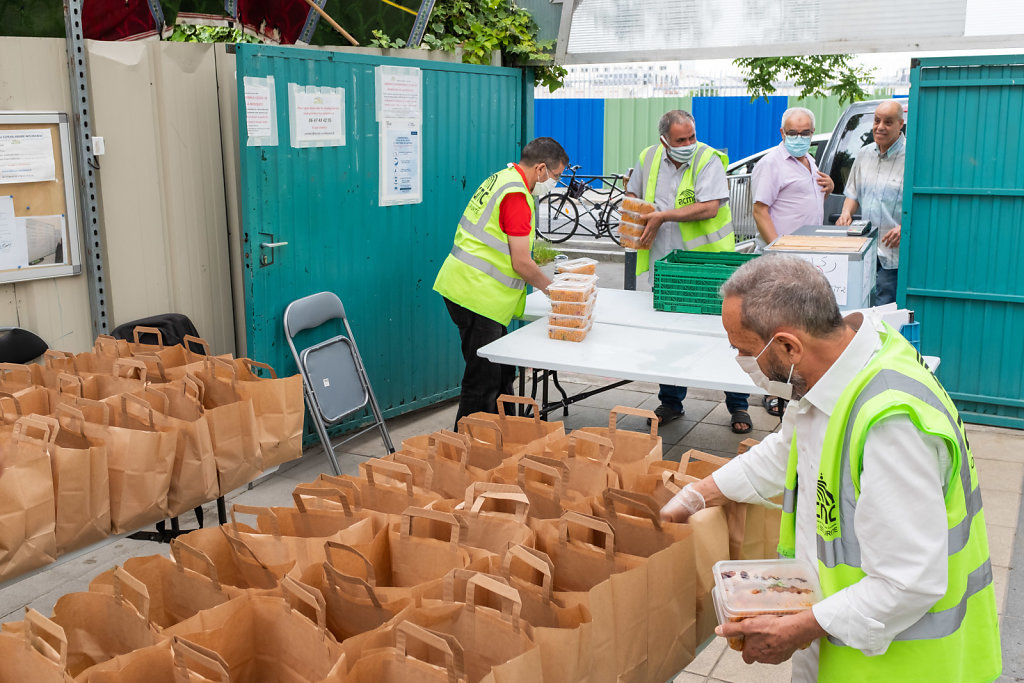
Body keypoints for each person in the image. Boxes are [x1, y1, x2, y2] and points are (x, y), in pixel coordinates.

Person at [660, 254, 1001, 682]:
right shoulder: (838, 367)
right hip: (840, 636)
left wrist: (793, 629)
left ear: (788, 346)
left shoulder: (890, 426)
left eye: (745, 351)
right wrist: (696, 495)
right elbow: (787, 451)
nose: (743, 364)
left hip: (899, 665)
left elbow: (908, 582)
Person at [626, 109, 751, 434]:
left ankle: (738, 404)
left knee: (728, 335)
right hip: (666, 265)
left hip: (707, 265)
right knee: (669, 337)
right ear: (664, 140)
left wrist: (662, 216)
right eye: (681, 140)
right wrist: (635, 214)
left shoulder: (708, 158)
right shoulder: (649, 157)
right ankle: (670, 401)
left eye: (692, 137)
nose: (689, 144)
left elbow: (710, 206)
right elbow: (633, 195)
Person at [433, 137, 568, 426]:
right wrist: (556, 292)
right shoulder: (517, 196)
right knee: (483, 380)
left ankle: (501, 439)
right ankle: (465, 451)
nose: (556, 183)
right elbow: (521, 262)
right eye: (556, 176)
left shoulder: (501, 178)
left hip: (468, 289)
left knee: (501, 373)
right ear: (541, 169)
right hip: (476, 295)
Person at [751, 106, 834, 419]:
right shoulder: (772, 163)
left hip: (804, 260)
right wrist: (778, 250)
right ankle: (773, 393)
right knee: (777, 333)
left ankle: (795, 389)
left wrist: (829, 188)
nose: (799, 138)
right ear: (782, 133)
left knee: (798, 333)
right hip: (780, 261)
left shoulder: (809, 161)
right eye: (793, 132)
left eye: (805, 133)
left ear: (812, 134)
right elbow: (760, 210)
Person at [837, 100, 906, 305]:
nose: (880, 127)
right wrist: (846, 213)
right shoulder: (864, 154)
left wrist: (905, 227)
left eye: (888, 122)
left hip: (894, 256)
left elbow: (923, 205)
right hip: (865, 251)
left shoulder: (912, 158)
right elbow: (853, 193)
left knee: (885, 312)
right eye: (877, 121)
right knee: (862, 309)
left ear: (900, 124)